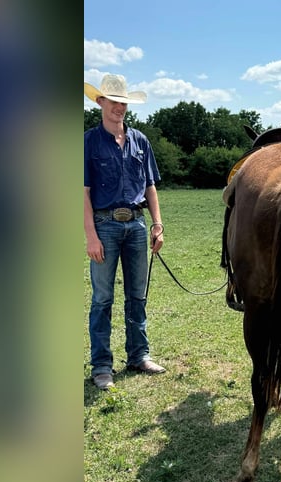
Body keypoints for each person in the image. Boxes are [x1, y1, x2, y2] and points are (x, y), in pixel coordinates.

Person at [84, 74, 166, 389]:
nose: (119, 107)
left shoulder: (140, 141)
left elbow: (150, 186)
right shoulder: (88, 141)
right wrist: (90, 235)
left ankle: (138, 355)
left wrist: (157, 224)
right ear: (100, 102)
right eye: (114, 101)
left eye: (123, 103)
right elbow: (83, 192)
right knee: (103, 298)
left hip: (136, 224)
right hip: (104, 225)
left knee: (137, 295)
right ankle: (102, 366)